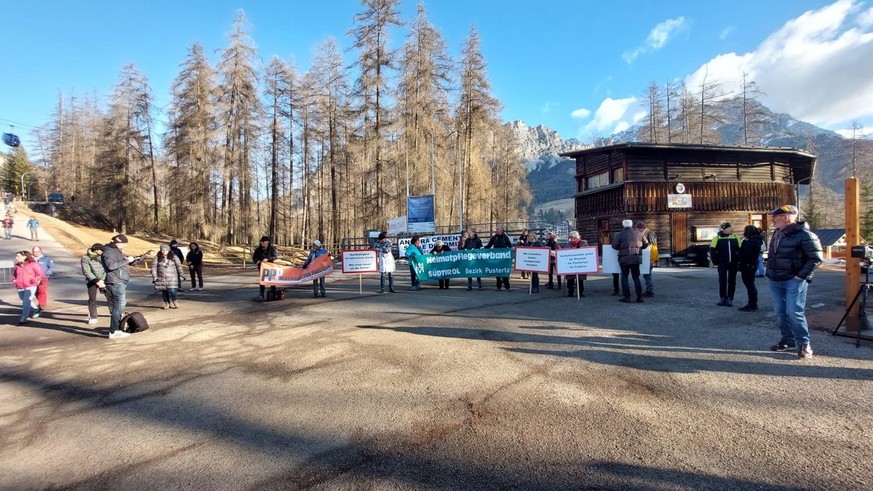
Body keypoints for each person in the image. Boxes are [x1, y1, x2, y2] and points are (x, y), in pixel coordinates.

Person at [766, 205, 823, 358]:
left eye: (775, 217)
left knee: (794, 312)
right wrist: (769, 272)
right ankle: (787, 341)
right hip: (775, 279)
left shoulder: (805, 235)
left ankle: (804, 344)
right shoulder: (777, 233)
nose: (772, 219)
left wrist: (801, 276)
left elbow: (816, 258)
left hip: (794, 280)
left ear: (786, 217)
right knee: (780, 312)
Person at [102, 234, 132, 339]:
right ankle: (114, 331)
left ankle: (117, 329)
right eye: (124, 244)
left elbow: (120, 264)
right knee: (118, 306)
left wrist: (133, 260)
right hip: (115, 282)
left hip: (119, 280)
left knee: (120, 306)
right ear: (118, 242)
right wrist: (127, 260)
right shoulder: (109, 251)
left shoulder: (116, 251)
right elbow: (111, 266)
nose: (125, 246)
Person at [612, 219, 648, 303]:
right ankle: (640, 297)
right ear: (632, 225)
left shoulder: (620, 234)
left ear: (623, 225)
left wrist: (621, 248)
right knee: (636, 278)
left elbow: (614, 246)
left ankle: (626, 297)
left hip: (624, 259)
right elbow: (646, 244)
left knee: (624, 278)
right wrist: (638, 248)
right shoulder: (639, 234)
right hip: (635, 258)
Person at [710, 221, 741, 306]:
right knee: (722, 280)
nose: (732, 229)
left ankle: (730, 298)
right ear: (724, 229)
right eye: (729, 227)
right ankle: (722, 298)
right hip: (722, 263)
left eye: (732, 227)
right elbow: (712, 251)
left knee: (732, 281)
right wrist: (715, 262)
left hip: (733, 263)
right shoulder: (717, 238)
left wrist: (739, 260)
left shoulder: (735, 237)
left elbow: (740, 250)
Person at [12, 250, 44, 325]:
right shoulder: (17, 266)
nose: (16, 258)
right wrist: (14, 280)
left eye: (18, 256)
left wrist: (35, 280)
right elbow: (14, 275)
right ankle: (37, 309)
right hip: (20, 286)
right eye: (16, 256)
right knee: (24, 299)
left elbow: (40, 274)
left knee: (26, 301)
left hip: (31, 286)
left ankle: (23, 318)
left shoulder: (32, 264)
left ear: (24, 256)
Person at [738, 225, 765, 312]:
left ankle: (752, 304)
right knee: (750, 285)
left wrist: (739, 258)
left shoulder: (750, 241)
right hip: (751, 264)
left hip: (748, 265)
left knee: (750, 285)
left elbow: (747, 254)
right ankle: (752, 303)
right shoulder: (756, 240)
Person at [80, 243, 106, 324]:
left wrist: (102, 279)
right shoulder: (85, 258)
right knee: (92, 299)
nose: (102, 251)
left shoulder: (103, 256)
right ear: (96, 250)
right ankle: (93, 316)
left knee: (110, 296)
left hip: (103, 279)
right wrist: (96, 281)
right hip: (92, 280)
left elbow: (106, 268)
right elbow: (86, 271)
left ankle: (113, 312)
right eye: (101, 250)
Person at [152, 244, 185, 309]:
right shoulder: (157, 257)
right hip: (161, 277)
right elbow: (154, 267)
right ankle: (167, 303)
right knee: (164, 291)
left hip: (172, 277)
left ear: (168, 250)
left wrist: (182, 274)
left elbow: (179, 266)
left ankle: (175, 301)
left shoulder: (174, 256)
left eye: (164, 250)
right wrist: (154, 276)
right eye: (162, 250)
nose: (163, 251)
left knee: (173, 290)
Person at [485, 225, 513, 291]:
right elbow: (489, 245)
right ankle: (498, 286)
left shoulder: (505, 237)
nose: (496, 230)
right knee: (497, 272)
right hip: (496, 257)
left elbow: (510, 246)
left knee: (505, 272)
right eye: (496, 229)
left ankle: (507, 287)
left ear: (501, 230)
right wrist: (483, 248)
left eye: (498, 229)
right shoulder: (494, 237)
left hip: (504, 257)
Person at [634, 221, 658, 297]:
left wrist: (651, 260)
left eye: (636, 229)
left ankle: (650, 291)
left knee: (647, 275)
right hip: (647, 258)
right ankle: (649, 290)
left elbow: (653, 248)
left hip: (649, 258)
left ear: (640, 228)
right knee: (647, 275)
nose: (636, 231)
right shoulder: (646, 233)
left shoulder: (649, 234)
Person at [252, 236, 278, 302]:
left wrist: (268, 259)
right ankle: (261, 295)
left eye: (263, 242)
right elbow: (254, 257)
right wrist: (257, 261)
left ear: (267, 242)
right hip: (262, 267)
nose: (262, 243)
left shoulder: (272, 249)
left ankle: (273, 294)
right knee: (262, 281)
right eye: (261, 241)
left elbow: (274, 257)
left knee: (272, 281)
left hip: (270, 267)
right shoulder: (258, 249)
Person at [565, 231, 588, 298]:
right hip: (571, 264)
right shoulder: (568, 244)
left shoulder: (584, 243)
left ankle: (580, 293)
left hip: (580, 264)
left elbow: (586, 252)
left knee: (580, 280)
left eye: (573, 238)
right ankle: (570, 292)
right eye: (571, 238)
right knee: (570, 280)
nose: (572, 239)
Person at [31, 245, 54, 314]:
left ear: (41, 251)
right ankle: (41, 302)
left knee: (42, 291)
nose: (36, 253)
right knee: (35, 291)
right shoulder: (30, 259)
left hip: (43, 278)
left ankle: (42, 305)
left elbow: (51, 267)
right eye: (35, 252)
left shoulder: (46, 259)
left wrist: (47, 273)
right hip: (33, 278)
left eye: (38, 251)